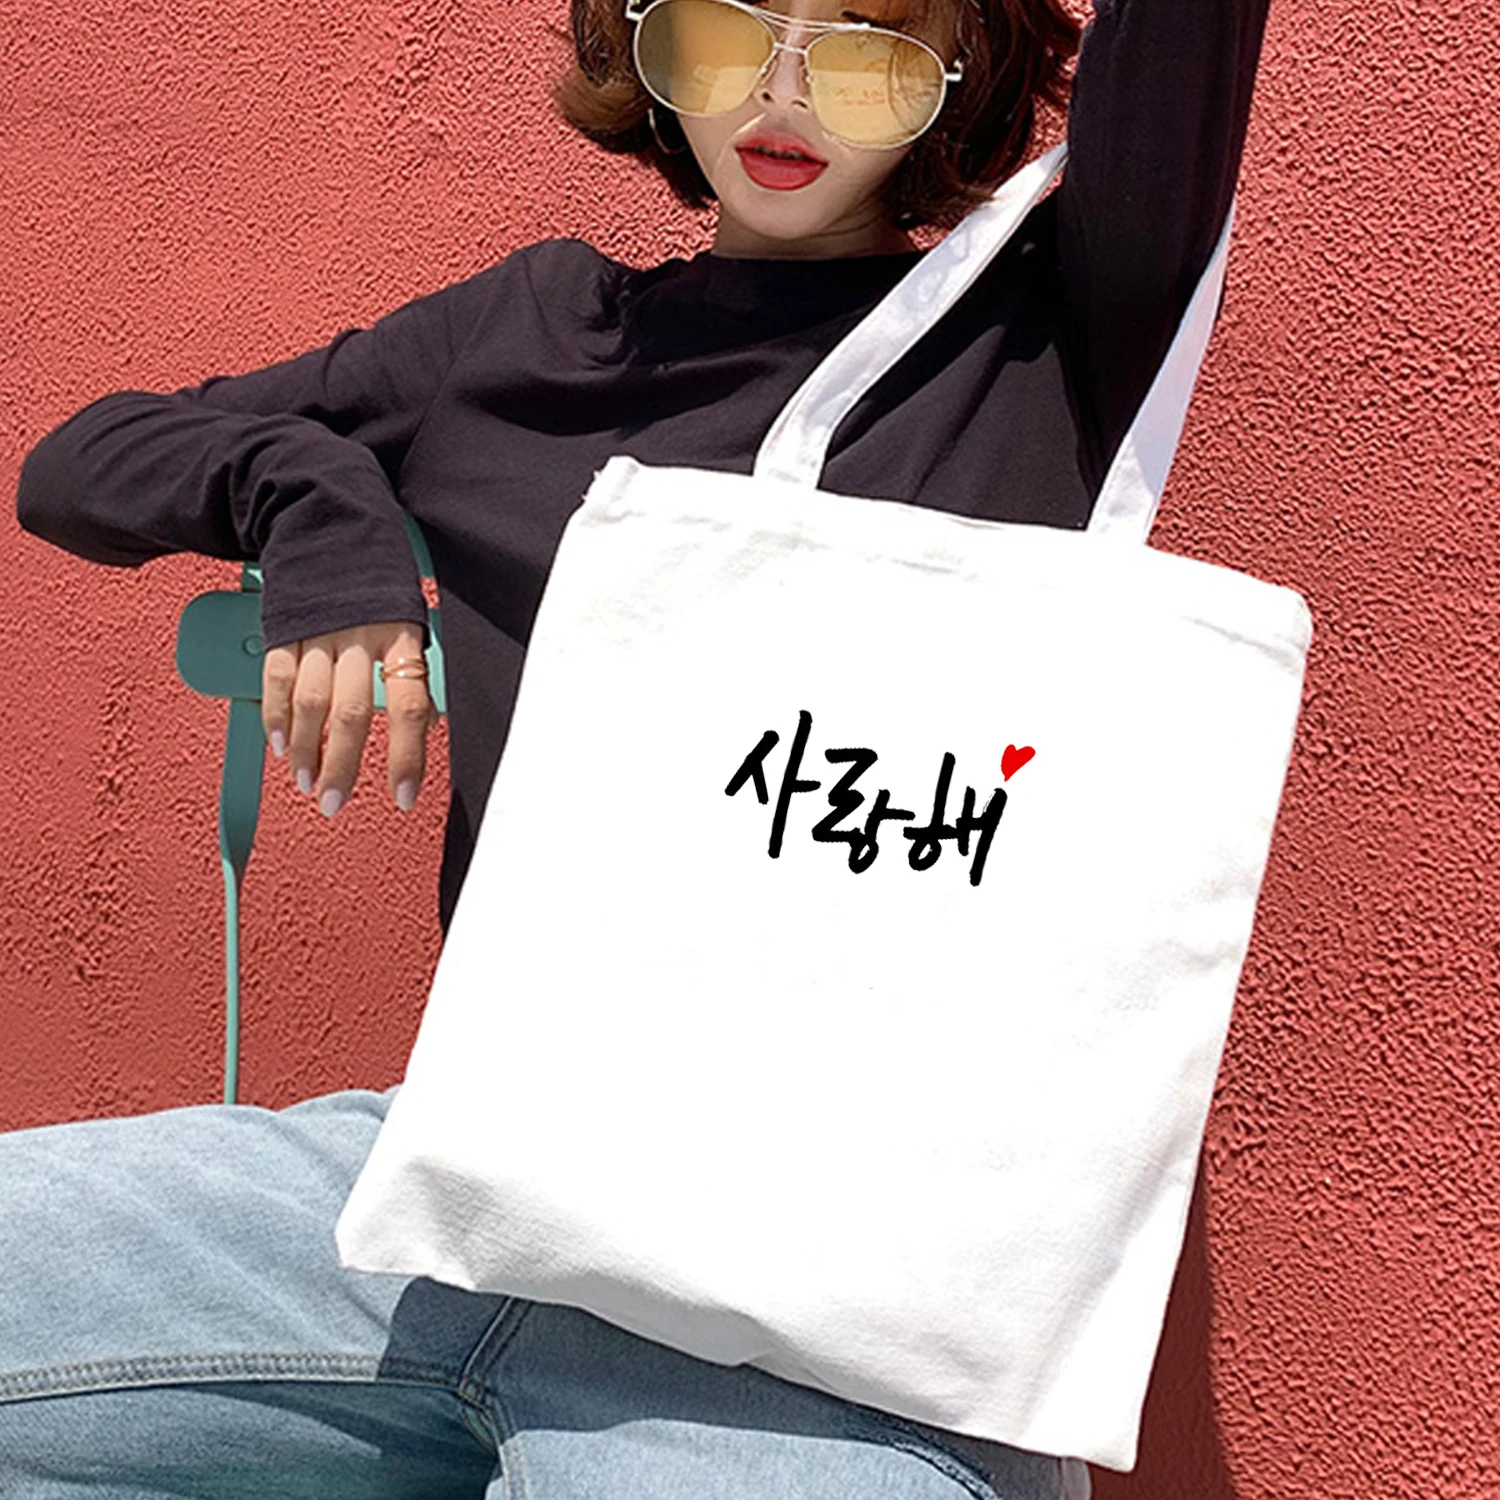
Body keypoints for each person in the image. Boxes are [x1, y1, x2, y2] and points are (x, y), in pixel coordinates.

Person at [6, 0, 1271, 1494]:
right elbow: (82, 460)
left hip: (858, 1328)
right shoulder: (533, 332)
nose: (785, 96)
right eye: (725, 32)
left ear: (955, 76)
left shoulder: (1049, 333)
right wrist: (319, 508)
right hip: (480, 1191)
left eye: (864, 50)